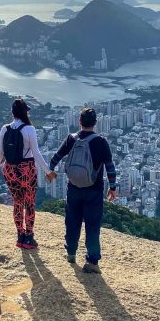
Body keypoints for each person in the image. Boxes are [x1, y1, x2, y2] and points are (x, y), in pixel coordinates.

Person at [47, 107, 116, 274]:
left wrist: (50, 171)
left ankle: (71, 253)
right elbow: (109, 167)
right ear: (95, 123)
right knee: (92, 226)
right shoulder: (101, 142)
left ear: (79, 122)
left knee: (72, 221)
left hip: (73, 188)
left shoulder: (72, 138)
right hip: (94, 191)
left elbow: (56, 156)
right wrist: (112, 187)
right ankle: (92, 262)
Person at [0, 98, 51, 250]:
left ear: (12, 113)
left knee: (17, 202)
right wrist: (48, 171)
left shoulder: (5, 128)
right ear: (25, 113)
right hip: (26, 169)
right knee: (29, 203)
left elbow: (0, 150)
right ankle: (29, 238)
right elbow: (36, 154)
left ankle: (20, 236)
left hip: (10, 169)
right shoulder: (29, 129)